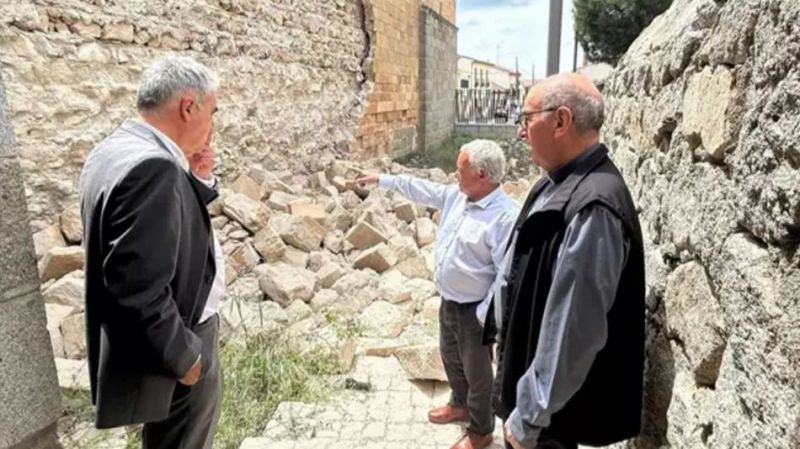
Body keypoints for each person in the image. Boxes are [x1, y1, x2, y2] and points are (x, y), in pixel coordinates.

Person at [485, 73, 646, 449]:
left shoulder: (594, 204)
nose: (521, 132)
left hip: (545, 424)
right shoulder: (557, 181)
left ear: (561, 121)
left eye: (527, 119)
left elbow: (574, 329)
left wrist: (527, 417)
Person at [79, 55, 224, 449]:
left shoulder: (115, 150)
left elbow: (160, 227)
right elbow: (137, 289)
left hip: (163, 341)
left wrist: (196, 179)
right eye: (212, 112)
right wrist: (186, 359)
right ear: (188, 107)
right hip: (180, 341)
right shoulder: (154, 168)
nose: (213, 126)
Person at [357, 140, 520, 449]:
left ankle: (481, 430)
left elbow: (506, 275)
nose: (454, 175)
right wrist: (382, 180)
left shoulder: (505, 217)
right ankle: (459, 403)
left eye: (461, 170)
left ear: (482, 174)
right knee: (450, 357)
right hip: (449, 301)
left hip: (475, 311)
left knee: (479, 374)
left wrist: (483, 316)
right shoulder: (458, 196)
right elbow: (420, 188)